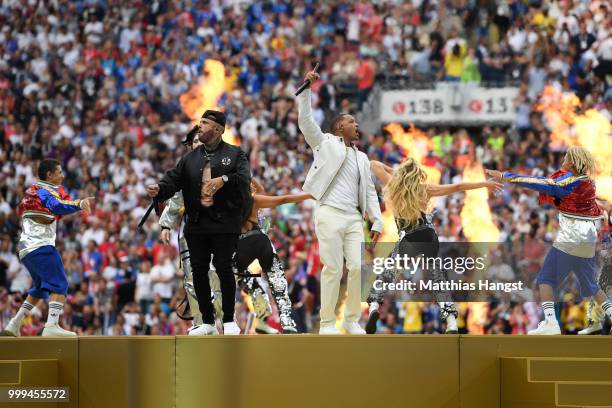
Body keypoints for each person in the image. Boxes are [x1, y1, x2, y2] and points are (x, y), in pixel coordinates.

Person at [159, 127, 278, 335]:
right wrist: (166, 223)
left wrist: (258, 224)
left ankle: (258, 319)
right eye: (194, 142)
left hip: (227, 231)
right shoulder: (187, 170)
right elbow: (175, 199)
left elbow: (248, 198)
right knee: (193, 278)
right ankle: (202, 321)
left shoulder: (227, 168)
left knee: (239, 277)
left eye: (201, 141)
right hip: (196, 232)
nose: (198, 144)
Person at [366, 159, 502, 334]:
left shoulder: (395, 187)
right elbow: (459, 187)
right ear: (418, 176)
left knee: (387, 272)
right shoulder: (425, 189)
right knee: (438, 279)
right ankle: (452, 322)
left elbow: (374, 164)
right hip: (428, 236)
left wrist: (398, 175)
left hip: (408, 237)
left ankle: (374, 306)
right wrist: (484, 183)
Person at [486, 146, 612, 335]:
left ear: (573, 162)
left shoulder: (568, 182)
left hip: (573, 236)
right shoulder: (589, 183)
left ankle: (551, 323)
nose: (563, 158)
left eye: (566, 156)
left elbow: (538, 183)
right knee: (590, 285)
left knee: (545, 279)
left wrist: (505, 176)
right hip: (586, 237)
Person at [147, 110, 251, 335]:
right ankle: (206, 322)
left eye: (205, 123)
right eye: (200, 122)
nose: (200, 126)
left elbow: (244, 180)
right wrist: (159, 189)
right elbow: (173, 180)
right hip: (197, 223)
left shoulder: (235, 154)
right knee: (199, 271)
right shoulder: (189, 159)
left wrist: (223, 179)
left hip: (225, 222)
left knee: (223, 267)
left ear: (218, 129)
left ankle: (230, 320)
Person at [297, 68, 383, 335]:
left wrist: (377, 219)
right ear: (338, 127)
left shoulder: (362, 158)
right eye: (352, 122)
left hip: (354, 218)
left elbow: (369, 191)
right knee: (333, 268)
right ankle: (326, 323)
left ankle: (351, 320)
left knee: (357, 267)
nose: (357, 126)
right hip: (329, 213)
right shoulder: (325, 143)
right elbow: (305, 121)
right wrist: (306, 89)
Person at [0, 159, 93, 337]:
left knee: (40, 288)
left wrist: (72, 205)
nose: (63, 175)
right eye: (59, 172)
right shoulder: (43, 191)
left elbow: (56, 206)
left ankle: (14, 324)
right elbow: (56, 205)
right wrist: (79, 204)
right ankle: (51, 326)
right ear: (49, 175)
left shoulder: (37, 190)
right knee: (60, 284)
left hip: (26, 249)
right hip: (40, 246)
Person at [233, 178, 312, 333]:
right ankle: (287, 321)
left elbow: (261, 190)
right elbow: (283, 199)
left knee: (247, 282)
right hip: (258, 240)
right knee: (277, 279)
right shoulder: (253, 200)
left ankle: (261, 319)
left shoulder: (229, 201)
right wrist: (308, 196)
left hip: (239, 246)